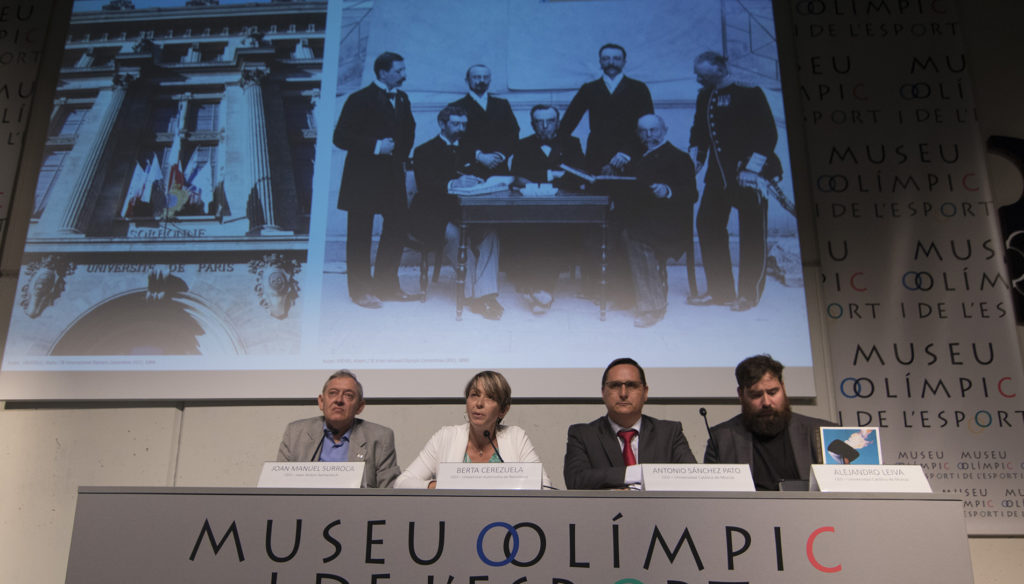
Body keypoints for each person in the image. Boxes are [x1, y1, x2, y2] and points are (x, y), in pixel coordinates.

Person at [688, 51, 782, 312]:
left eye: (702, 73)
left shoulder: (749, 93)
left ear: (719, 68)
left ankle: (748, 295)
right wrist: (694, 161)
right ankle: (721, 292)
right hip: (717, 177)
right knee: (707, 224)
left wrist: (752, 169)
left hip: (748, 176)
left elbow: (768, 135)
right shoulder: (705, 96)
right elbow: (699, 132)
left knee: (752, 234)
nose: (697, 77)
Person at [333, 51, 419, 309]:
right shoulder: (359, 99)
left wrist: (400, 158)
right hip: (362, 179)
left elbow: (409, 132)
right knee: (360, 234)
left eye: (403, 70)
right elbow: (340, 137)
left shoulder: (403, 99)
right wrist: (375, 146)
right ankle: (360, 291)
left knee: (396, 228)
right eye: (399, 71)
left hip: (392, 177)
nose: (404, 75)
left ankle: (386, 286)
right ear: (382, 72)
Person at [411, 105, 503, 320]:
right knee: (455, 236)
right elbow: (426, 185)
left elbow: (480, 175)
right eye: (456, 124)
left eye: (464, 124)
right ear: (442, 124)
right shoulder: (424, 151)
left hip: (466, 213)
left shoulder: (470, 150)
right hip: (431, 214)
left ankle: (485, 294)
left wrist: (481, 182)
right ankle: (476, 297)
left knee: (491, 233)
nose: (461, 128)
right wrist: (455, 182)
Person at [395, 370, 551, 488]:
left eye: (490, 397)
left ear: (503, 410)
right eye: (474, 395)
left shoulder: (515, 437)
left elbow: (544, 486)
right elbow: (402, 483)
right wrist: (438, 486)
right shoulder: (446, 436)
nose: (479, 403)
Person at [703, 354, 834, 491]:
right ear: (741, 395)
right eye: (756, 395)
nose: (766, 402)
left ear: (783, 388)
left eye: (773, 392)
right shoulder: (721, 439)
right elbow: (714, 499)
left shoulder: (820, 433)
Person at [616, 114, 698, 328]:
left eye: (654, 130)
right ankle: (626, 295)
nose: (648, 135)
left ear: (665, 130)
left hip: (670, 223)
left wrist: (668, 190)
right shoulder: (637, 156)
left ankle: (653, 306)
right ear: (638, 133)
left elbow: (691, 194)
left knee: (635, 237)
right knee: (616, 229)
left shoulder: (679, 158)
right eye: (643, 131)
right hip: (644, 218)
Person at [564, 357, 696, 489]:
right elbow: (576, 480)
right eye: (615, 386)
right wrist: (633, 474)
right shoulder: (583, 434)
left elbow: (692, 479)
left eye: (632, 386)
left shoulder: (669, 433)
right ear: (603, 392)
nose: (623, 393)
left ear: (645, 393)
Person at [505, 104, 586, 314]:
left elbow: (577, 176)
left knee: (554, 233)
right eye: (539, 122)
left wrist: (538, 175)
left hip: (564, 210)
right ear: (532, 124)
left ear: (557, 123)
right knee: (529, 232)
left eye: (549, 121)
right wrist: (553, 175)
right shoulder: (523, 145)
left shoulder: (572, 143)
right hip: (530, 208)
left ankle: (540, 289)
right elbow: (518, 177)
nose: (544, 126)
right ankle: (541, 291)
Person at [277, 369, 400, 488]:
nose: (339, 400)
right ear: (321, 402)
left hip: (357, 507)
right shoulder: (295, 433)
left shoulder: (380, 438)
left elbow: (389, 494)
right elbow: (278, 484)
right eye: (333, 393)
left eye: (348, 395)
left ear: (360, 407)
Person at [560, 43, 654, 174]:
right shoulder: (589, 89)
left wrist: (626, 153)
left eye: (616, 59)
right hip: (597, 156)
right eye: (606, 59)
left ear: (624, 62)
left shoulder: (639, 88)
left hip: (630, 156)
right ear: (600, 61)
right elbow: (567, 123)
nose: (611, 62)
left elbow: (648, 126)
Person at [447, 64, 520, 177]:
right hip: (469, 170)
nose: (481, 80)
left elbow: (513, 133)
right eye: (476, 77)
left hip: (499, 168)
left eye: (485, 77)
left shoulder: (502, 104)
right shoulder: (456, 107)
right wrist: (479, 156)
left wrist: (499, 155)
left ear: (490, 80)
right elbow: (454, 137)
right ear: (467, 81)